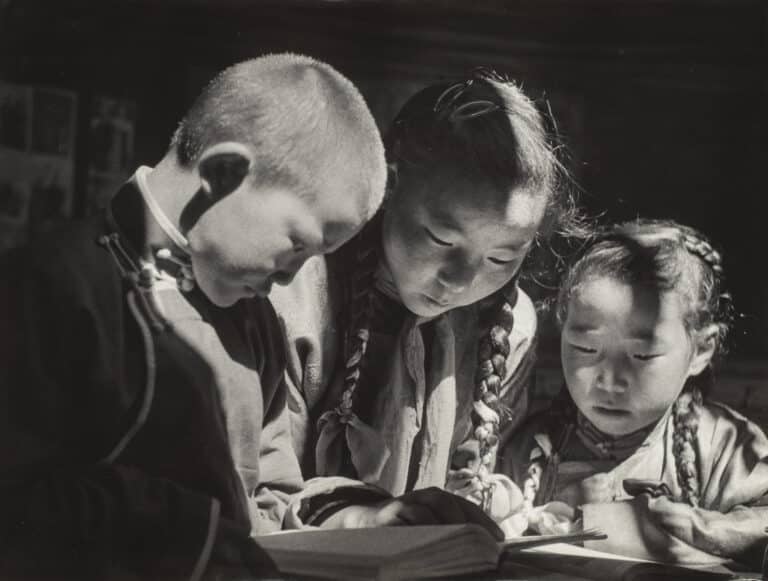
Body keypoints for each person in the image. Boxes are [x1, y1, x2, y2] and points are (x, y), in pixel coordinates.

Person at [0, 53, 389, 580]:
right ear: (222, 173)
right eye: (297, 244)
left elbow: (268, 496)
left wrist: (349, 516)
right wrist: (190, 534)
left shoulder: (257, 322)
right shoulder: (60, 285)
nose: (292, 278)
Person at [271, 71, 582, 529]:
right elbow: (258, 487)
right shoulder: (297, 295)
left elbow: (475, 484)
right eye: (441, 239)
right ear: (389, 184)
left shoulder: (509, 328)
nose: (461, 280)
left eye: (501, 257)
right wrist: (354, 518)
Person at [497, 219, 768, 566]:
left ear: (701, 350)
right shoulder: (527, 447)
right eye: (584, 347)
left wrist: (649, 520)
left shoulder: (726, 447)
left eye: (641, 355)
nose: (610, 379)